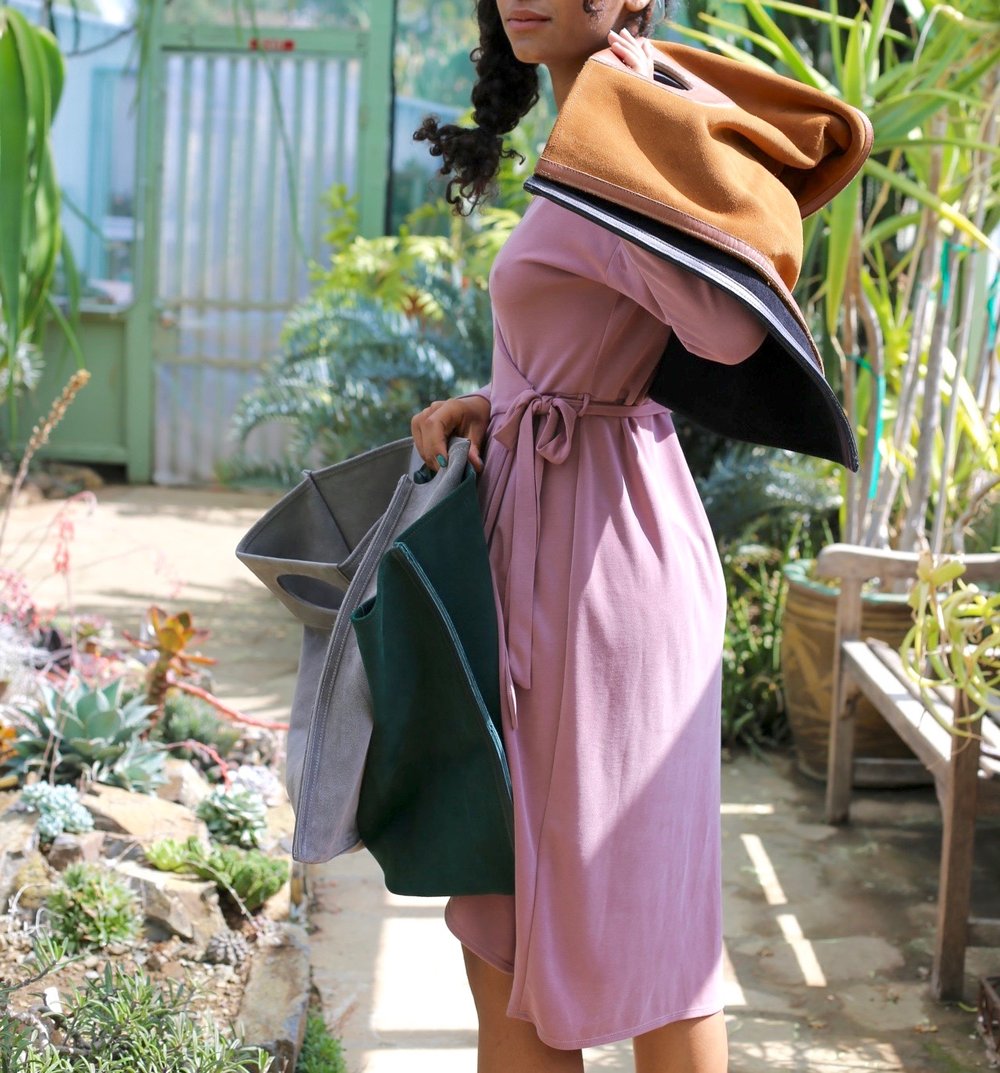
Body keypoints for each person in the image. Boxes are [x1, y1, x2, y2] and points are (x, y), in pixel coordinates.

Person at [410, 2, 769, 1070]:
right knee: (505, 927)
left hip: (604, 565)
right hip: (547, 527)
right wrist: (498, 402)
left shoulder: (636, 116)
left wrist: (628, 179)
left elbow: (725, 324)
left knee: (650, 939)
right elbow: (600, 330)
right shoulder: (587, 122)